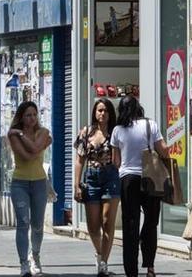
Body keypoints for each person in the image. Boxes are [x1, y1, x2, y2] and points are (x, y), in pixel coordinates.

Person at [110, 95, 169, 277]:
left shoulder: (117, 130)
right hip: (150, 177)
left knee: (130, 224)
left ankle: (131, 271)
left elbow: (115, 161)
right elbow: (164, 150)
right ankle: (150, 267)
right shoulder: (151, 125)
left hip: (128, 179)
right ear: (139, 108)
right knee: (151, 222)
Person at [73, 98, 120, 276]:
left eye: (106, 110)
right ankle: (100, 253)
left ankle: (104, 263)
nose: (102, 114)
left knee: (107, 221)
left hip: (111, 177)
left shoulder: (116, 132)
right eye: (99, 110)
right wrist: (77, 184)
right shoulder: (86, 132)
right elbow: (79, 161)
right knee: (93, 226)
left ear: (110, 113)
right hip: (91, 178)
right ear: (94, 112)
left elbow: (120, 158)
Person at [7, 101, 52, 277]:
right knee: (23, 223)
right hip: (20, 182)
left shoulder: (43, 132)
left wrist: (21, 135)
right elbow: (26, 156)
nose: (32, 118)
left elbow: (33, 148)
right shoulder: (13, 136)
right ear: (21, 117)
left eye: (34, 114)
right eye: (28, 115)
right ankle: (23, 263)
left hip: (40, 182)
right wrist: (39, 145)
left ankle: (35, 256)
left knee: (38, 224)